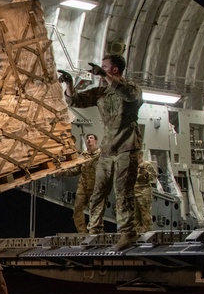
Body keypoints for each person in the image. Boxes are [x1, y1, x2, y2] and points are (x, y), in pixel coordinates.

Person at [60, 55, 143, 250]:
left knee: (123, 192)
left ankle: (127, 233)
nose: (100, 71)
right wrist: (70, 85)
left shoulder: (132, 88)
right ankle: (94, 232)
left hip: (127, 145)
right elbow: (76, 101)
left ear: (114, 70)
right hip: (108, 147)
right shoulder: (101, 92)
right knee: (98, 191)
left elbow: (128, 95)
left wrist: (104, 75)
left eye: (105, 67)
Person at [58, 133, 100, 233]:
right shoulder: (83, 155)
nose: (89, 140)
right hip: (83, 186)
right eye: (88, 139)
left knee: (95, 211)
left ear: (96, 141)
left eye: (91, 138)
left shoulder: (101, 155)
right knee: (77, 209)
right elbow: (77, 170)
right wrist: (64, 172)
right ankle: (82, 232)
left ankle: (94, 231)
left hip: (95, 187)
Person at [134, 160, 157, 233]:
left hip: (143, 191)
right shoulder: (131, 164)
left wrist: (146, 173)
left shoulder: (147, 165)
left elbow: (153, 177)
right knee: (135, 215)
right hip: (133, 191)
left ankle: (147, 233)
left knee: (145, 214)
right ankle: (137, 234)